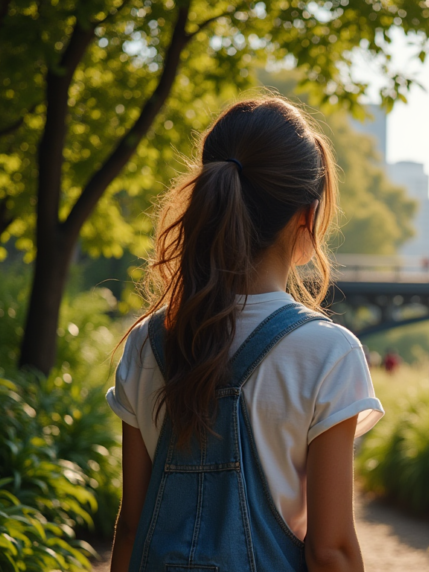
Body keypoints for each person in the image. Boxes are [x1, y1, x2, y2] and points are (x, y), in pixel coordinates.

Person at [106, 97, 383, 572]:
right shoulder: (328, 353)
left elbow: (132, 527)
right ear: (308, 214)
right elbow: (330, 550)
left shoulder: (147, 342)